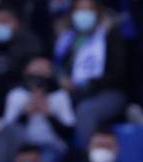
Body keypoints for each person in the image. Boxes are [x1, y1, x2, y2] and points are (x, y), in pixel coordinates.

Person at [55, 0, 128, 145]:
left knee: (86, 111)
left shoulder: (110, 36)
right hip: (71, 93)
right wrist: (61, 79)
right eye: (80, 10)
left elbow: (118, 73)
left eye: (89, 9)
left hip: (106, 92)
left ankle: (89, 157)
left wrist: (86, 84)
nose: (84, 14)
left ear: (98, 13)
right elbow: (58, 66)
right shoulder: (66, 39)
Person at [1, 57, 75, 162]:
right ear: (26, 71)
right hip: (21, 148)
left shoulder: (60, 96)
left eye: (44, 69)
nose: (40, 72)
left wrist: (49, 115)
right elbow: (7, 131)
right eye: (36, 68)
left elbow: (69, 133)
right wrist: (25, 114)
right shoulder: (16, 95)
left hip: (50, 146)